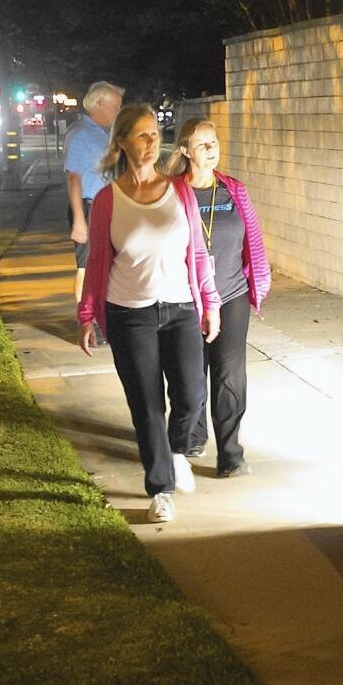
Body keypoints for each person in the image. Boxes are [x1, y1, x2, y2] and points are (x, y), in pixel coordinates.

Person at [77, 105, 221, 523]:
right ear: (122, 142)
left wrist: (209, 303)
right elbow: (98, 258)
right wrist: (87, 313)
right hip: (129, 313)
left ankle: (176, 452)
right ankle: (160, 489)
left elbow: (197, 252)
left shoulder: (181, 191)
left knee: (192, 393)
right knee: (146, 405)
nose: (151, 141)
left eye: (155, 134)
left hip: (179, 308)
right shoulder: (107, 200)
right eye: (141, 135)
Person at [163, 118, 271, 478]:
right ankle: (192, 436)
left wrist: (259, 279)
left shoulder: (234, 190)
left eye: (214, 142)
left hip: (231, 293)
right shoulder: (172, 193)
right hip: (185, 300)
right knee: (190, 375)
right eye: (202, 144)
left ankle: (230, 452)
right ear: (184, 151)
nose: (211, 150)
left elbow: (252, 240)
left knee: (229, 375)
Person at [65, 81, 124, 305]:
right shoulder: (81, 134)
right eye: (116, 106)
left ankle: (99, 315)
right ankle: (86, 320)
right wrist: (80, 221)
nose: (118, 111)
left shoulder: (102, 133)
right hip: (88, 207)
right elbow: (73, 178)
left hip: (105, 207)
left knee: (103, 265)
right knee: (86, 267)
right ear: (99, 103)